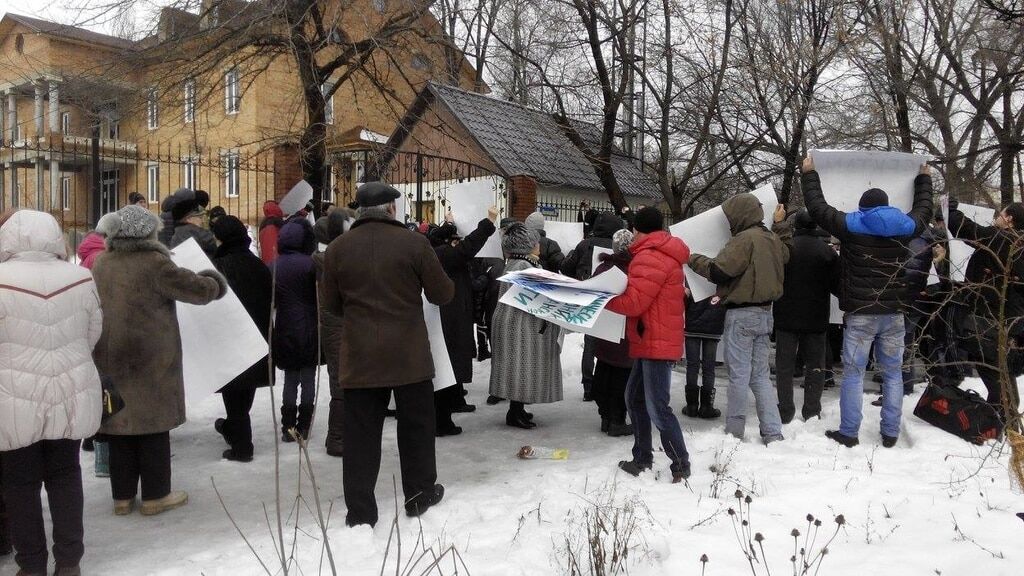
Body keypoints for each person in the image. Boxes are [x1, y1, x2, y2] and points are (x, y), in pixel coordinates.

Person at [321, 182, 454, 527]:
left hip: (361, 358)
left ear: (361, 212)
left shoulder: (337, 249)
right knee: (416, 428)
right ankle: (420, 494)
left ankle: (361, 513)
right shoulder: (415, 243)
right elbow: (442, 294)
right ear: (392, 209)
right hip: (408, 356)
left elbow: (331, 306)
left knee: (361, 436)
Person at [92, 205, 226, 516]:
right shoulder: (155, 263)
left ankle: (122, 498)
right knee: (153, 426)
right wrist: (214, 282)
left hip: (111, 356)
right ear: (147, 232)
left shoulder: (101, 264)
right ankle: (155, 496)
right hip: (151, 358)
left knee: (120, 425)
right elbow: (198, 290)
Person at [801, 155, 933, 448]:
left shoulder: (850, 225)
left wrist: (809, 173)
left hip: (860, 313)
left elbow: (818, 208)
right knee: (893, 375)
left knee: (853, 374)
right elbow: (925, 209)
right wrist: (924, 178)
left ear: (863, 208)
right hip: (894, 312)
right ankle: (890, 433)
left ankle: (849, 433)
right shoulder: (907, 226)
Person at [0, 210, 103, 576]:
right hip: (70, 389)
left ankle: (30, 566)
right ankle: (70, 561)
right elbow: (92, 332)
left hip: (11, 396)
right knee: (66, 475)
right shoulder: (80, 277)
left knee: (19, 484)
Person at [689, 194, 791, 443]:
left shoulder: (744, 240)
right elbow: (787, 254)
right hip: (766, 314)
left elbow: (719, 270)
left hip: (741, 315)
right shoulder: (771, 239)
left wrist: (691, 258)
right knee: (760, 376)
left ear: (738, 216)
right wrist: (780, 225)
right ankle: (772, 432)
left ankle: (734, 434)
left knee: (739, 376)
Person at [606, 207, 691, 481]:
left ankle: (680, 463)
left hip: (655, 341)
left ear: (637, 230)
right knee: (635, 398)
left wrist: (602, 299)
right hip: (654, 339)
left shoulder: (648, 257)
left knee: (658, 408)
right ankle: (642, 457)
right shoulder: (665, 252)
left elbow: (634, 303)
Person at [429, 208, 499, 436]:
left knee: (451, 367)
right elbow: (469, 247)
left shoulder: (434, 251)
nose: (455, 243)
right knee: (447, 370)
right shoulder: (443, 255)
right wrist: (488, 222)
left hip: (451, 315)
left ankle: (451, 407)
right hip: (450, 317)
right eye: (453, 239)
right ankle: (442, 421)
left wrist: (449, 224)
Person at [948, 199, 1024, 409]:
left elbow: (966, 229)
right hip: (1012, 322)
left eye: (1000, 214)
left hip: (990, 321)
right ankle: (1004, 419)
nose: (996, 217)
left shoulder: (1002, 240)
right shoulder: (1020, 246)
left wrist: (949, 210)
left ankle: (1005, 422)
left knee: (994, 370)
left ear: (1009, 219)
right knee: (1001, 370)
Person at [211, 215, 274, 462]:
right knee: (244, 394)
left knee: (234, 397)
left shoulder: (221, 267)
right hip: (258, 339)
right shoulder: (258, 264)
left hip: (231, 339)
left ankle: (242, 447)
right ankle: (231, 429)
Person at [489, 223, 564, 429]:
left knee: (520, 366)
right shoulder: (523, 267)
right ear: (526, 246)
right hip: (518, 325)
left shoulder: (519, 263)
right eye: (535, 241)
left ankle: (518, 409)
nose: (539, 244)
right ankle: (514, 412)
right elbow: (544, 293)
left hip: (517, 322)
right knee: (521, 367)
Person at [772, 209, 838, 423]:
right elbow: (837, 286)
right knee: (815, 366)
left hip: (785, 316)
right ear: (815, 226)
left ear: (795, 226)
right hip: (816, 318)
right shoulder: (827, 252)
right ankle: (811, 409)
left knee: (784, 367)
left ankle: (785, 410)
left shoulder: (786, 249)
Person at [561, 212, 625, 401]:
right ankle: (609, 386)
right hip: (614, 300)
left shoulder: (584, 244)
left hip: (589, 298)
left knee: (590, 344)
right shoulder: (619, 246)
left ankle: (588, 386)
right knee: (612, 343)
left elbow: (566, 268)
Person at [272, 218, 319, 443]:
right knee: (308, 378)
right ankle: (304, 426)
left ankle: (288, 427)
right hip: (309, 324)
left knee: (290, 379)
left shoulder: (274, 265)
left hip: (284, 325)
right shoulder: (311, 264)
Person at [313, 207, 352, 458]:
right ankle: (336, 438)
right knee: (340, 381)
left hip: (337, 324)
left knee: (343, 379)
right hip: (336, 325)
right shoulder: (327, 260)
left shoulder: (326, 258)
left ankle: (342, 435)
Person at [592, 229, 636, 436]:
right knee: (622, 376)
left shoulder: (603, 268)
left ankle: (605, 417)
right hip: (625, 332)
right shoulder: (633, 269)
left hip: (603, 330)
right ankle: (617, 420)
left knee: (604, 371)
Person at [682, 293, 725, 419]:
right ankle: (706, 407)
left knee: (692, 366)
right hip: (714, 323)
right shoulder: (719, 275)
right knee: (709, 367)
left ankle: (692, 406)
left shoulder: (691, 275)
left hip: (692, 322)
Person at [259, 200, 286, 265]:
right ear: (276, 208)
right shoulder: (277, 222)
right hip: (278, 263)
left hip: (267, 263)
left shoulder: (263, 224)